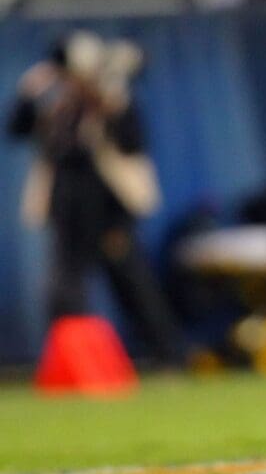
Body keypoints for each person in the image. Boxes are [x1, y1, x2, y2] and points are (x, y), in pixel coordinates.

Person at [7, 31, 186, 367]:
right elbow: (17, 129)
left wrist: (108, 100)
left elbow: (133, 143)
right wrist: (29, 93)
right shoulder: (58, 108)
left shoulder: (111, 103)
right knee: (64, 293)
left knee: (134, 290)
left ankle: (169, 358)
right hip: (66, 214)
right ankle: (72, 364)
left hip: (108, 216)